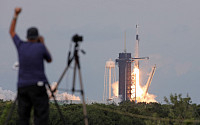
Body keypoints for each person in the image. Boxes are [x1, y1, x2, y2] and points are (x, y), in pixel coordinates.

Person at [9, 7, 52, 125]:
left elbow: (12, 32)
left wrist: (15, 15)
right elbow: (49, 59)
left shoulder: (21, 45)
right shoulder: (40, 47)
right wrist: (42, 43)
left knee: (23, 117)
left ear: (27, 37)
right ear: (37, 37)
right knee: (41, 116)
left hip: (23, 86)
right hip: (38, 86)